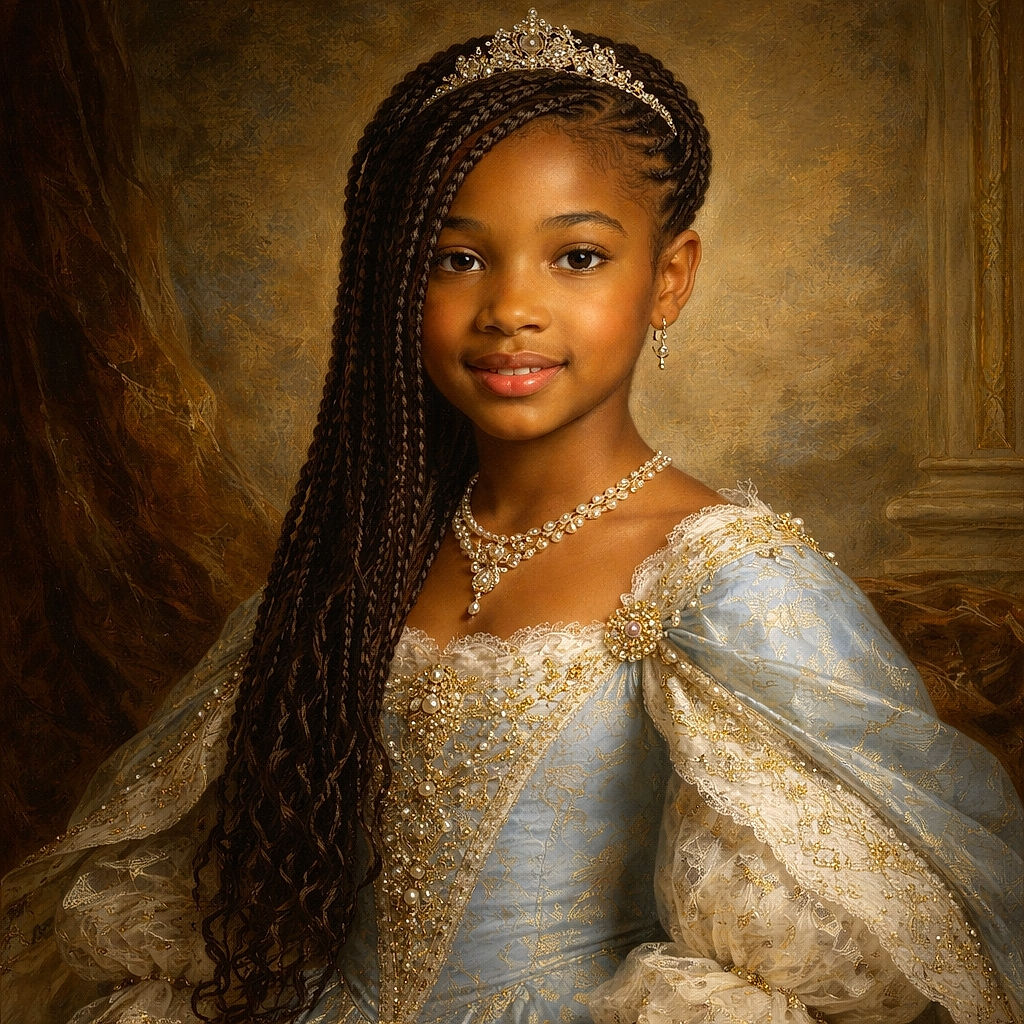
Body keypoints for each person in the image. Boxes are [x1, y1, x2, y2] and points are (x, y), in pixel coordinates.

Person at [2, 10, 1022, 1024]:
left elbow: (816, 951)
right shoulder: (359, 546)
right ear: (395, 284)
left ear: (668, 280)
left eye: (576, 257)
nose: (509, 308)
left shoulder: (728, 584)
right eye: (456, 258)